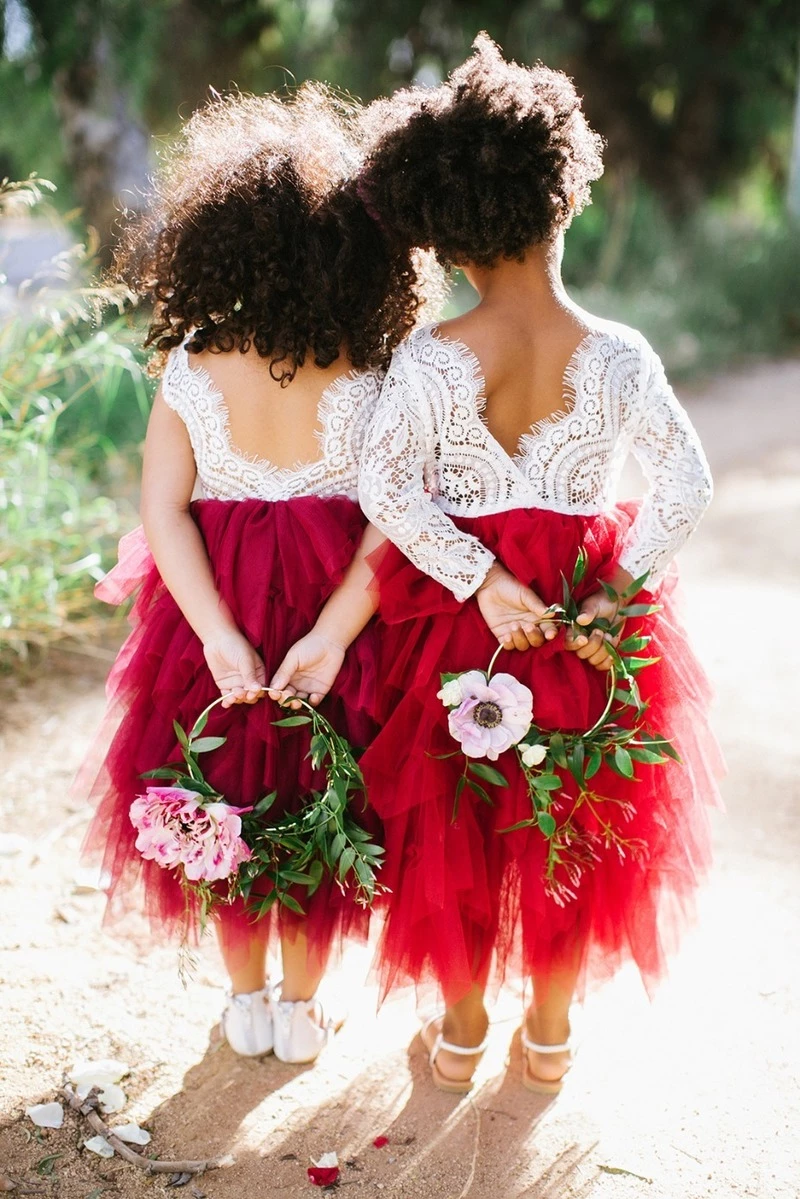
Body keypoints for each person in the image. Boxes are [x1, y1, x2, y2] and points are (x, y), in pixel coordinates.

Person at [271, 35, 723, 1093]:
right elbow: (685, 483)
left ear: (448, 232)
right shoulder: (616, 352)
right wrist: (614, 589)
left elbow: (386, 490)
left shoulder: (433, 358)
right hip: (579, 614)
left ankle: (464, 1026)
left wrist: (474, 574)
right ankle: (551, 1034)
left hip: (465, 615)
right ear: (561, 200)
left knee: (458, 817)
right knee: (567, 812)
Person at [78, 85, 438, 1064]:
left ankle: (244, 1000)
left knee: (222, 792)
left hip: (217, 608)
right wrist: (333, 631)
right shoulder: (371, 374)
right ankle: (303, 1004)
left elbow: (161, 508)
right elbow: (393, 528)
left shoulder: (193, 368)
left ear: (220, 244)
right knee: (331, 790)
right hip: (339, 615)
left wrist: (215, 633)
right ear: (354, 250)